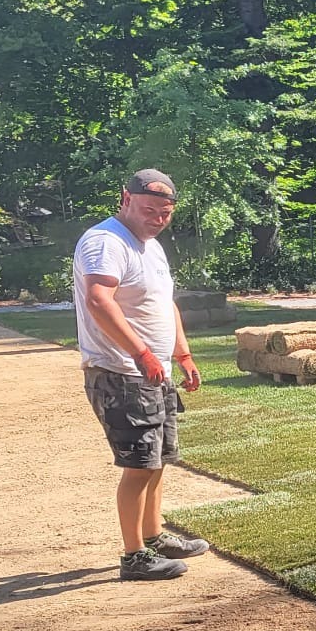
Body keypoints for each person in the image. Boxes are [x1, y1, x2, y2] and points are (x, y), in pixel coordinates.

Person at [73, 168, 209, 581]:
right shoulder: (105, 242)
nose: (157, 218)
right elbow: (99, 300)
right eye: (150, 209)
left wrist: (181, 354)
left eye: (165, 212)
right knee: (138, 466)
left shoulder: (151, 246)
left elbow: (164, 303)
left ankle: (153, 537)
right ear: (125, 199)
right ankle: (134, 556)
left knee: (156, 461)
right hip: (120, 373)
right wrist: (143, 354)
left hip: (153, 371)